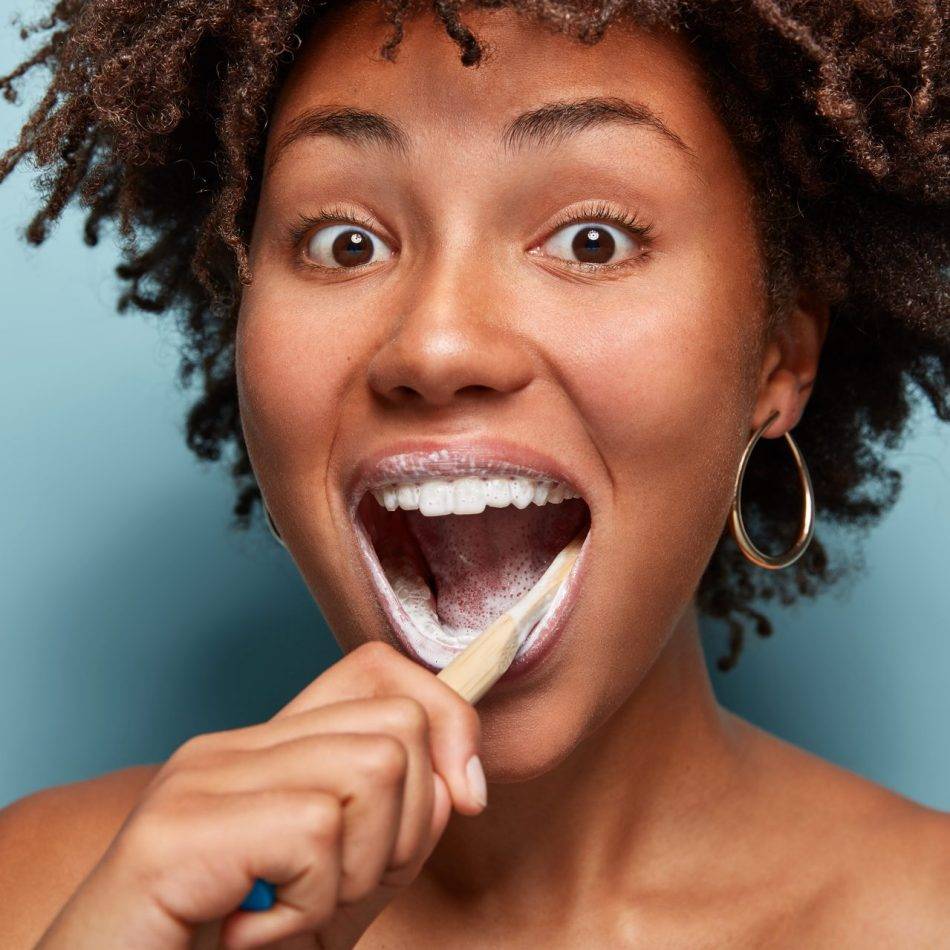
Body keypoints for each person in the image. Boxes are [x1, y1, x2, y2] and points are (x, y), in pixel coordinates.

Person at [1, 0, 948, 946]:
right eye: (344, 241)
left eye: (592, 239)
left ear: (778, 357)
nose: (437, 343)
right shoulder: (50, 896)